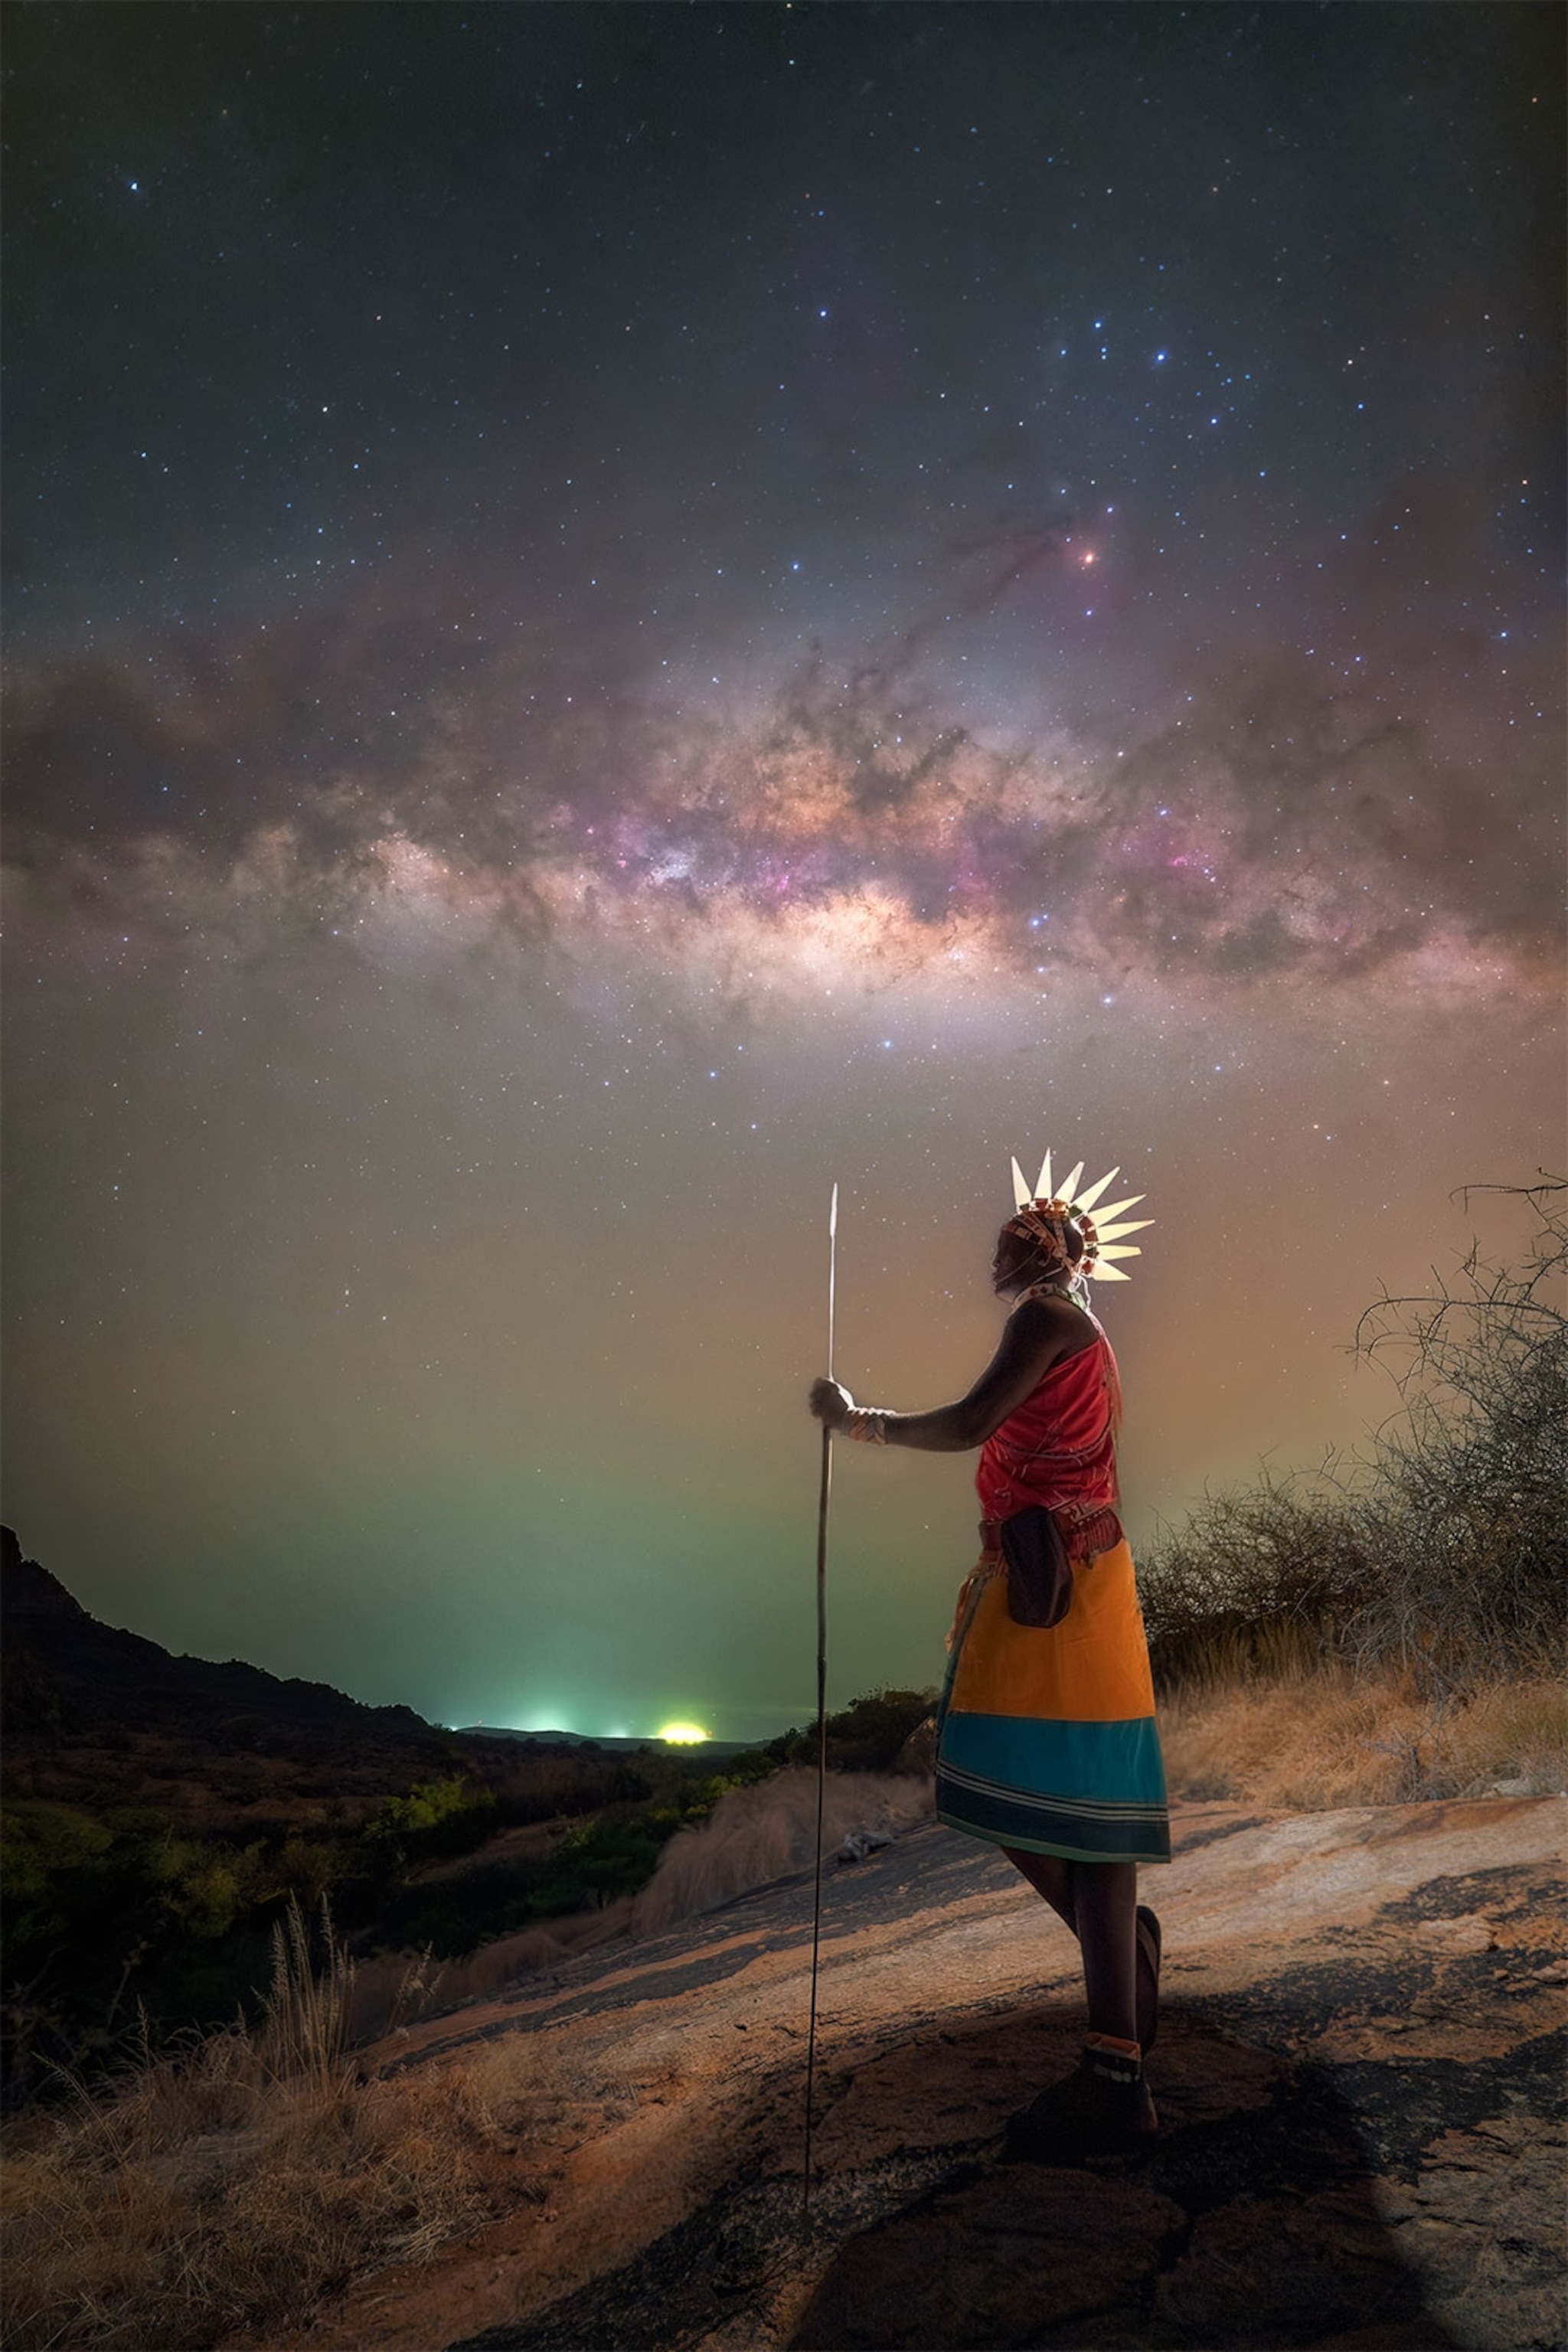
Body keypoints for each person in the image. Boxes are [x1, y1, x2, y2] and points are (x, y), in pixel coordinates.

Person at [808, 1155, 1168, 2159]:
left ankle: (1119, 2033)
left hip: (1048, 1586)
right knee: (1085, 1801)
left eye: (1019, 1238)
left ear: (1049, 1256)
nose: (1001, 1253)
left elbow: (973, 1424)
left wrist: (859, 1423)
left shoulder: (1046, 1317)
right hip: (1087, 1574)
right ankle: (1120, 2024)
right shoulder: (1085, 1331)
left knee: (983, 1773)